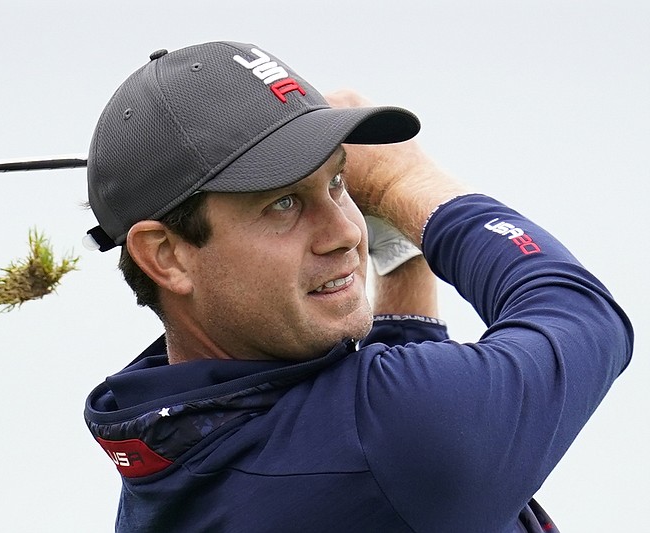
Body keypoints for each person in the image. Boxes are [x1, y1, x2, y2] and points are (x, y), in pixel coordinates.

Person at [82, 41, 633, 532]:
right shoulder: (388, 440)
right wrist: (403, 185)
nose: (346, 230)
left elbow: (363, 395)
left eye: (337, 182)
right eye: (283, 203)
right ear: (166, 255)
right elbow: (580, 315)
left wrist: (396, 249)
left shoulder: (172, 440)